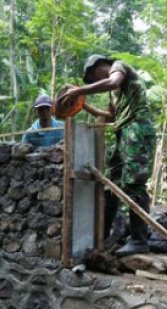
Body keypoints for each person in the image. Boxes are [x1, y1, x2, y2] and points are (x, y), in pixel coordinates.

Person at [61, 55, 156, 256]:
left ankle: (139, 239)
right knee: (110, 184)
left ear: (99, 65)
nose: (94, 82)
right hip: (123, 132)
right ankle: (101, 236)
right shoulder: (113, 95)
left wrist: (78, 90)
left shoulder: (119, 67)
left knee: (134, 183)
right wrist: (83, 104)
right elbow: (110, 117)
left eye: (93, 77)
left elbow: (113, 81)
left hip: (137, 129)